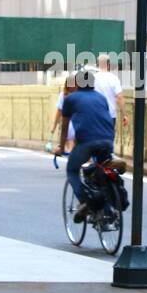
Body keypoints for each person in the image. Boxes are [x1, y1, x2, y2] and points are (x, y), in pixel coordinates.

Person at [52, 70, 116, 222]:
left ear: (78, 83)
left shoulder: (71, 99)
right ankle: (107, 210)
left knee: (72, 169)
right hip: (108, 141)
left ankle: (86, 202)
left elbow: (65, 127)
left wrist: (61, 148)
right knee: (102, 171)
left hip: (86, 142)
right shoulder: (101, 98)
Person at [93, 53, 128, 128]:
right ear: (108, 64)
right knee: (108, 138)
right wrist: (124, 114)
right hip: (110, 115)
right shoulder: (114, 79)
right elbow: (120, 97)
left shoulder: (92, 78)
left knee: (96, 138)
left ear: (98, 64)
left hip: (95, 115)